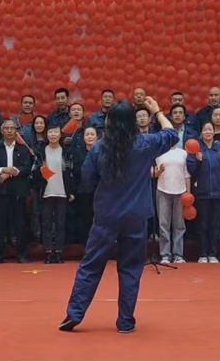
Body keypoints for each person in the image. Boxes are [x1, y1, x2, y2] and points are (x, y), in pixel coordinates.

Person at [60, 97, 177, 333]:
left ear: (109, 122)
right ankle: (125, 321)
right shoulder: (145, 143)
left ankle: (74, 313)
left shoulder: (99, 148)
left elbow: (86, 180)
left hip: (107, 213)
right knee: (131, 267)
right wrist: (156, 111)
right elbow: (171, 134)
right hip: (136, 214)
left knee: (91, 264)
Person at [0, 119, 33, 263]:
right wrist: (3, 170)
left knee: (20, 223)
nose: (9, 131)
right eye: (6, 128)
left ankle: (22, 254)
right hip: (1, 190)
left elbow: (26, 168)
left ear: (16, 131)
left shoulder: (23, 149)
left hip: (19, 189)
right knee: (0, 223)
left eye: (12, 128)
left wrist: (9, 173)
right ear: (2, 131)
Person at [186, 122, 220, 263]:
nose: (208, 132)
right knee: (203, 225)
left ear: (214, 132)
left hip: (218, 192)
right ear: (201, 133)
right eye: (205, 130)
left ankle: (213, 253)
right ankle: (203, 253)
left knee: (215, 225)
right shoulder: (195, 149)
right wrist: (198, 161)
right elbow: (191, 171)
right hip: (202, 192)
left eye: (210, 129)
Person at [37, 124, 76, 264]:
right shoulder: (41, 152)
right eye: (50, 132)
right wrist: (39, 171)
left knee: (60, 223)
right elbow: (34, 171)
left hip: (62, 191)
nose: (53, 135)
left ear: (60, 135)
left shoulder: (66, 152)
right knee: (46, 223)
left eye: (56, 132)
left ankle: (59, 252)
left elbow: (71, 173)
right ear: (46, 135)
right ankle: (48, 251)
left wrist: (71, 191)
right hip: (46, 191)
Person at [154, 128, 191, 264]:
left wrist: (188, 193)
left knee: (179, 224)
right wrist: (157, 172)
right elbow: (152, 171)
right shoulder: (158, 152)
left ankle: (178, 254)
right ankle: (165, 254)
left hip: (180, 191)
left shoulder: (183, 153)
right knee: (163, 224)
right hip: (163, 190)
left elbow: (187, 174)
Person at [73, 127, 98, 243]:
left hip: (99, 191)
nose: (90, 137)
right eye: (87, 134)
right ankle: (86, 244)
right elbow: (75, 171)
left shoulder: (102, 151)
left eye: (92, 134)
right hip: (83, 190)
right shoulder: (78, 153)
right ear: (83, 138)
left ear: (97, 137)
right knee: (85, 219)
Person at [29, 115, 49, 242]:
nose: (39, 125)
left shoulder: (49, 140)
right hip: (33, 179)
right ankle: (36, 234)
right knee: (35, 208)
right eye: (37, 123)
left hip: (48, 178)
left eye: (41, 123)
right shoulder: (29, 141)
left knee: (47, 208)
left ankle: (47, 234)